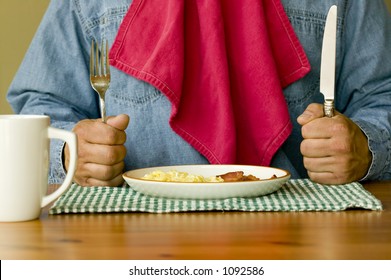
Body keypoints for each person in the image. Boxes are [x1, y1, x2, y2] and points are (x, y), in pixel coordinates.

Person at [7, 0, 391, 187]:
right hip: (126, 244)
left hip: (302, 243)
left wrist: (365, 148)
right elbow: (39, 107)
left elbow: (382, 96)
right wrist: (70, 154)